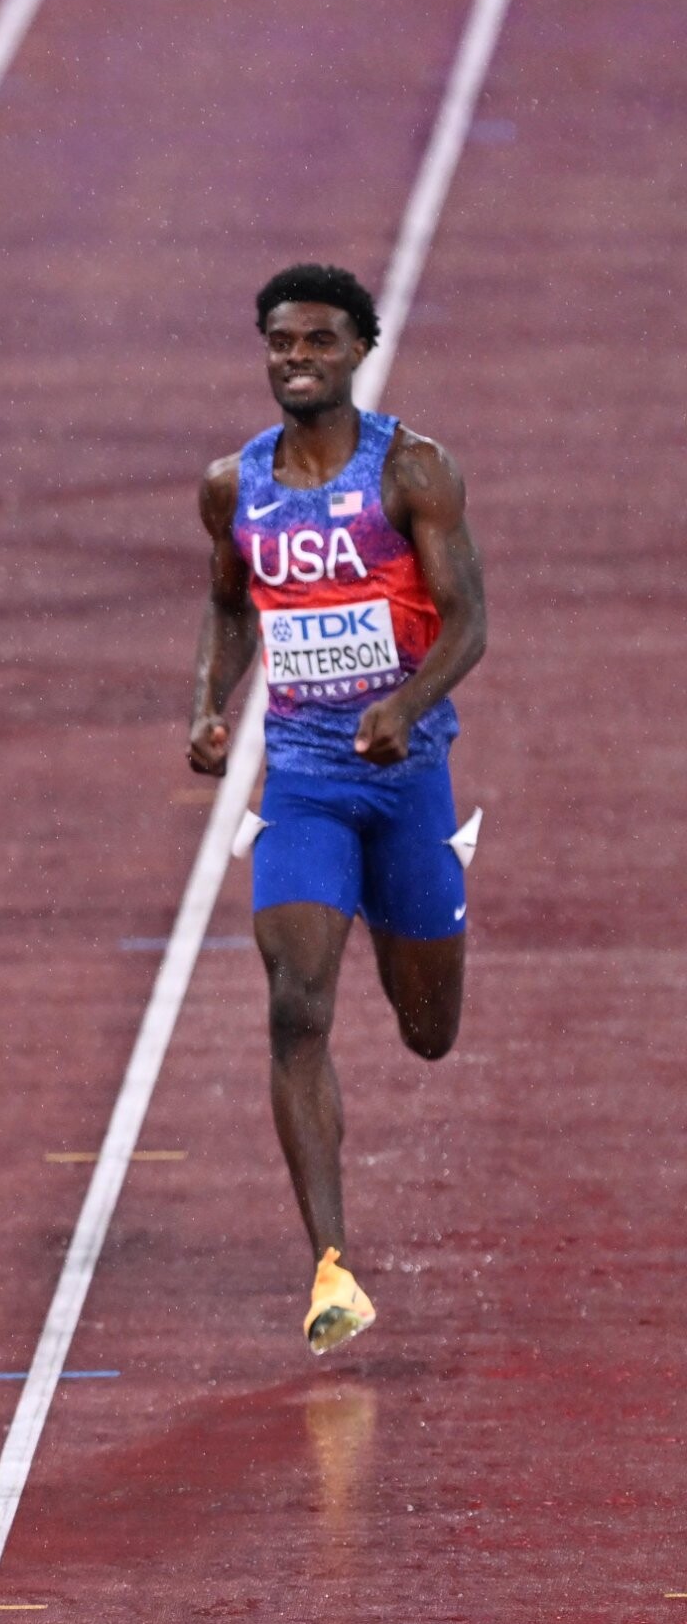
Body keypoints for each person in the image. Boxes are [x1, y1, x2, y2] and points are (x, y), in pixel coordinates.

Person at [189, 263, 485, 1354]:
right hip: (304, 781)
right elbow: (229, 606)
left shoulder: (411, 471)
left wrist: (407, 703)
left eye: (318, 341)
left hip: (405, 782)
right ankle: (331, 1264)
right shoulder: (232, 486)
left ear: (360, 349)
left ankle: (420, 914)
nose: (297, 359)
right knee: (294, 1005)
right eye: (281, 342)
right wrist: (210, 706)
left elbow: (469, 620)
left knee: (428, 1032)